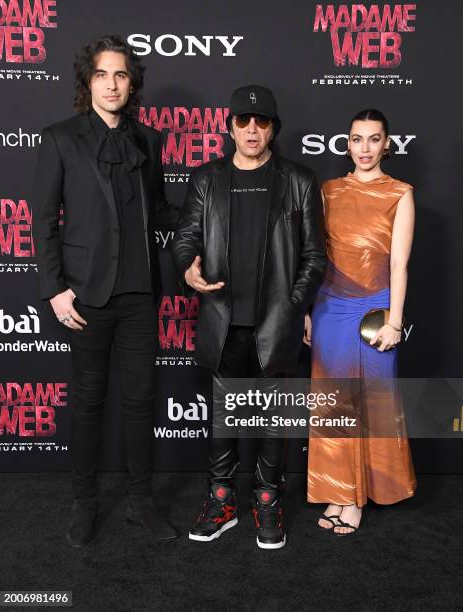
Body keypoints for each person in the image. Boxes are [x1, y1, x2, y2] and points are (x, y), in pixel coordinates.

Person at [32, 35, 177, 546]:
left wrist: (210, 218)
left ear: (131, 82)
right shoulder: (60, 138)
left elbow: (159, 210)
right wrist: (55, 290)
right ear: (87, 81)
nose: (112, 84)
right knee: (89, 403)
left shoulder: (149, 140)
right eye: (101, 75)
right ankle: (84, 503)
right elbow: (44, 222)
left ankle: (141, 502)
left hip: (140, 293)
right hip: (85, 296)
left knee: (140, 403)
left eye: (120, 75)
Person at [172, 85, 326, 549]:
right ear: (230, 126)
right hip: (222, 321)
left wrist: (291, 304)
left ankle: (266, 500)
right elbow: (185, 237)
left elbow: (315, 256)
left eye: (261, 121)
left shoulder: (299, 179)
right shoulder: (206, 180)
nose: (252, 129)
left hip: (274, 325)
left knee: (273, 420)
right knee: (223, 420)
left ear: (273, 128)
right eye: (244, 121)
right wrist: (188, 268)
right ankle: (222, 502)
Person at [305, 109, 417, 535]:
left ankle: (358, 497)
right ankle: (338, 489)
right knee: (334, 405)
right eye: (357, 139)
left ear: (386, 144)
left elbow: (400, 265)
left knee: (373, 402)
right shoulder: (328, 191)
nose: (365, 148)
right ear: (346, 144)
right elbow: (315, 258)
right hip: (331, 307)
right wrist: (307, 310)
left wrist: (395, 322)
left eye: (374, 139)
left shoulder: (400, 193)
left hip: (375, 310)